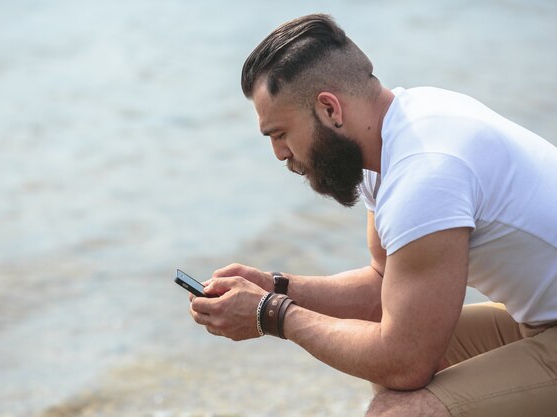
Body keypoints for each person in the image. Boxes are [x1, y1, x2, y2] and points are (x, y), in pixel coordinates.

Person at [188, 13, 557, 417]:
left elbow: (405, 362)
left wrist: (271, 314)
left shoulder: (424, 173)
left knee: (398, 410)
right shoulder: (395, 134)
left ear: (329, 109)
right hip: (537, 322)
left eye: (279, 133)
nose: (279, 153)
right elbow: (382, 288)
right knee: (380, 361)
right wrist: (275, 287)